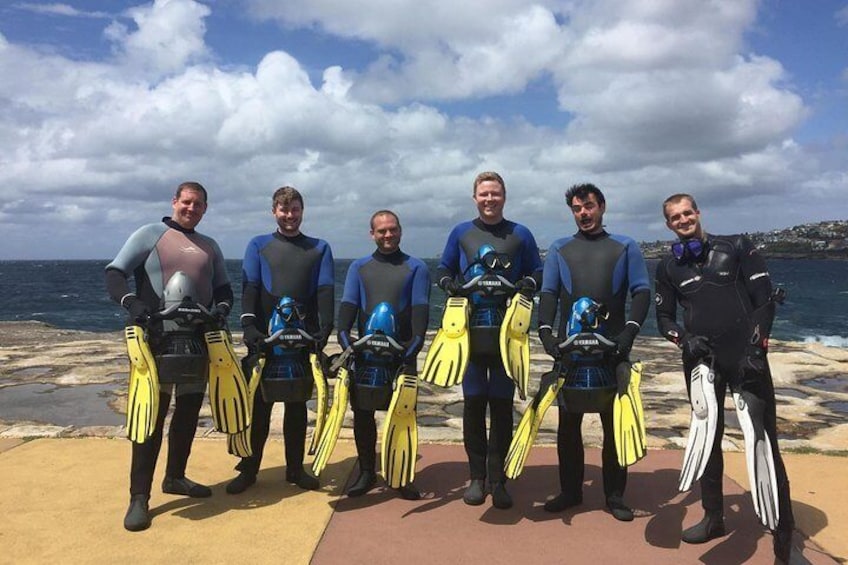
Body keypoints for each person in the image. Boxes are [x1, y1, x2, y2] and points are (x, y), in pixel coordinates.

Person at [655, 193, 794, 562]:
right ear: (668, 224)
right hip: (702, 363)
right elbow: (664, 319)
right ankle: (713, 517)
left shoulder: (737, 247)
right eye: (675, 217)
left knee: (764, 444)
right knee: (707, 441)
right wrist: (685, 339)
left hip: (746, 360)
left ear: (698, 213)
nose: (683, 220)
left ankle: (785, 540)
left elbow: (764, 299)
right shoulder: (669, 267)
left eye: (688, 213)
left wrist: (756, 348)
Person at [106, 181, 234, 532]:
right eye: (186, 202)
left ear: (205, 209)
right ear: (175, 202)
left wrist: (222, 308)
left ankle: (175, 477)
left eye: (199, 205)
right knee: (151, 419)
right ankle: (138, 497)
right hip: (157, 340)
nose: (191, 209)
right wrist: (131, 303)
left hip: (196, 341)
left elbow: (223, 288)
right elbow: (115, 272)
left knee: (188, 414)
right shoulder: (151, 234)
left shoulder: (210, 246)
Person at [537, 183, 650, 521]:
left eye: (588, 206)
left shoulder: (625, 246)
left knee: (613, 425)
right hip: (570, 353)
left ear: (602, 206)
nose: (583, 213)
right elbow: (549, 293)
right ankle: (570, 491)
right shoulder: (560, 248)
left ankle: (615, 496)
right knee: (568, 425)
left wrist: (629, 331)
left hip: (612, 350)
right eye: (576, 208)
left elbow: (641, 291)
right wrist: (545, 332)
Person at [434, 171, 543, 509]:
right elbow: (443, 268)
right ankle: (476, 478)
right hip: (470, 334)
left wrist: (527, 284)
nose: (489, 199)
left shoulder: (520, 234)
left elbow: (538, 272)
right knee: (473, 404)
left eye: (495, 194)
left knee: (501, 407)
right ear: (475, 198)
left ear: (504, 196)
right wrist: (448, 285)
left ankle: (499, 479)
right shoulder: (461, 233)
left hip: (507, 335)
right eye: (483, 194)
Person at [226, 186, 334, 494]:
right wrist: (249, 326)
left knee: (297, 406)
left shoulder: (319, 247)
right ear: (274, 211)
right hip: (265, 336)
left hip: (301, 337)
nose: (290, 215)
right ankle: (249, 469)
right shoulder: (258, 244)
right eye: (284, 210)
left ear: (303, 211)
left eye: (295, 209)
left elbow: (325, 289)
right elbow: (250, 287)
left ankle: (295, 469)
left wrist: (323, 331)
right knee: (259, 406)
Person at [336, 210, 430, 500]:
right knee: (363, 416)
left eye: (392, 229)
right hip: (366, 357)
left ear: (400, 230)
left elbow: (420, 320)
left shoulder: (416, 267)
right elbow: (346, 316)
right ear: (372, 234)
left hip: (402, 355)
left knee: (402, 416)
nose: (388, 235)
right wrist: (348, 345)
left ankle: (400, 475)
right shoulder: (359, 268)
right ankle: (366, 471)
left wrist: (407, 354)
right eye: (381, 231)